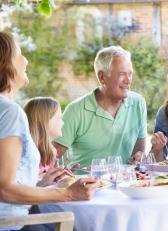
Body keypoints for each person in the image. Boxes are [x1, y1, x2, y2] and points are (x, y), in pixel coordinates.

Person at [0, 31, 99, 230]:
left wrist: (38, 185)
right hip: (14, 225)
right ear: (5, 64)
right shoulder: (10, 112)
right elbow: (4, 189)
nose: (25, 60)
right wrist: (69, 194)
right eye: (19, 53)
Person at [54, 46, 147, 168]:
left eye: (130, 74)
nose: (128, 80)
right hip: (85, 184)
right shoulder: (76, 111)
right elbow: (52, 160)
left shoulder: (138, 103)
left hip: (124, 183)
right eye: (122, 74)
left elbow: (138, 152)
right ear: (102, 77)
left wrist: (139, 156)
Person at [24, 97, 78, 186]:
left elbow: (48, 181)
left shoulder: (51, 150)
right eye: (59, 118)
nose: (63, 123)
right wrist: (41, 183)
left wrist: (60, 174)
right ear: (44, 122)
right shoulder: (27, 153)